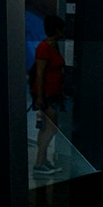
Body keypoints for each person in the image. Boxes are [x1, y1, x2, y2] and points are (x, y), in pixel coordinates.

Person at [30, 16, 66, 177]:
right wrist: (39, 97)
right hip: (46, 96)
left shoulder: (53, 46)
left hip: (52, 94)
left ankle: (42, 161)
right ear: (57, 30)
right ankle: (39, 163)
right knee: (51, 128)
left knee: (45, 128)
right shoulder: (44, 47)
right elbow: (39, 72)